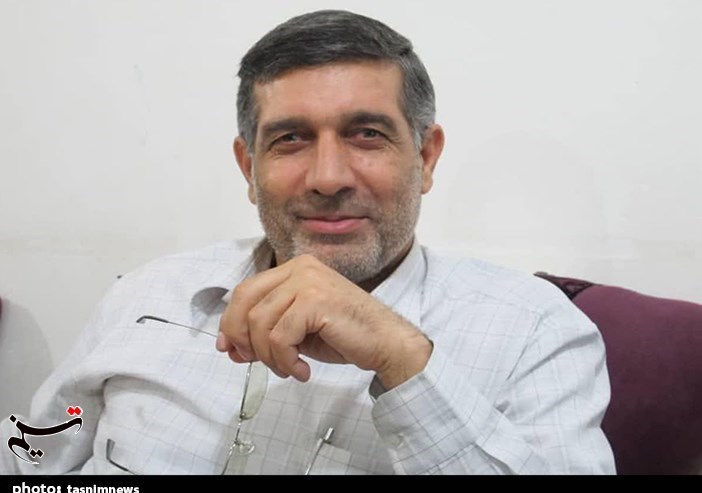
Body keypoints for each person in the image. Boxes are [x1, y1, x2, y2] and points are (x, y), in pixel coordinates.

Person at [1, 9, 615, 475]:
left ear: (425, 158)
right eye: (290, 139)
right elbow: (35, 462)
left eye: (367, 134)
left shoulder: (536, 330)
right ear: (249, 168)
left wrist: (405, 363)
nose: (327, 178)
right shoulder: (145, 293)